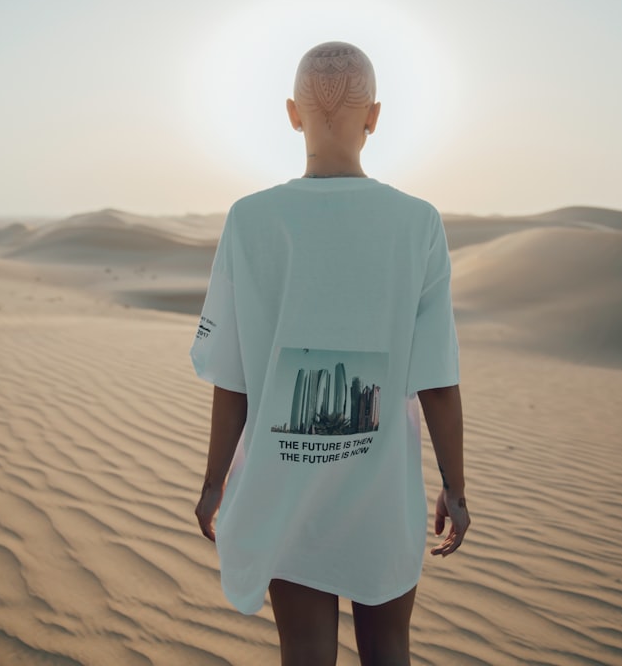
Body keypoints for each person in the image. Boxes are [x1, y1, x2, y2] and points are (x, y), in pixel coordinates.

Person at [191, 41, 468, 666]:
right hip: (384, 490)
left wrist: (214, 484)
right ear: (374, 116)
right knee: (388, 649)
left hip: (285, 484)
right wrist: (455, 487)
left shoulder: (250, 219)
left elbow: (231, 372)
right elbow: (439, 378)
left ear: (292, 113)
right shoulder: (419, 222)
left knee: (306, 655)